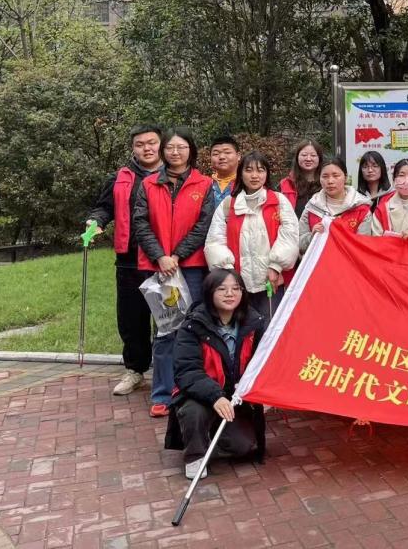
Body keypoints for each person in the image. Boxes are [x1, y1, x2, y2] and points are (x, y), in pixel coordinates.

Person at [133, 127, 217, 418]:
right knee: (165, 329)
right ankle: (162, 393)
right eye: (170, 147)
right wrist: (160, 256)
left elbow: (204, 224)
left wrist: (178, 255)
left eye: (181, 147)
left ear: (190, 150)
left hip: (191, 266)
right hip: (157, 267)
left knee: (194, 326)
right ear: (163, 151)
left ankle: (193, 388)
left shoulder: (204, 184)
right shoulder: (148, 184)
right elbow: (141, 223)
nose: (175, 152)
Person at [164, 269, 267, 480]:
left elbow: (261, 363)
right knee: (194, 412)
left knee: (242, 447)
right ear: (209, 293)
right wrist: (215, 396)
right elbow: (187, 371)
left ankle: (210, 437)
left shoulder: (254, 323)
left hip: (234, 398)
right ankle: (195, 454)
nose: (230, 294)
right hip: (200, 395)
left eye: (236, 288)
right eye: (222, 289)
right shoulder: (192, 326)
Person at [86, 124, 163, 397]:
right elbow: (103, 207)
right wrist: (95, 222)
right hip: (129, 259)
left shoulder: (173, 175)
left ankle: (167, 374)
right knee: (132, 318)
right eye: (140, 144)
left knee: (167, 319)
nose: (146, 148)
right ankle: (135, 370)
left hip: (163, 258)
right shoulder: (120, 177)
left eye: (152, 142)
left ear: (161, 144)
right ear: (133, 148)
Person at [205, 151, 300, 316]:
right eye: (249, 170)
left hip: (271, 281)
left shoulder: (278, 201)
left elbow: (290, 236)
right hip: (237, 284)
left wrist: (276, 266)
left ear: (267, 173)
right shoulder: (228, 205)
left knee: (270, 326)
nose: (255, 175)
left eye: (260, 170)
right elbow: (215, 241)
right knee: (242, 327)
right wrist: (230, 274)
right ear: (241, 173)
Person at [299, 157, 373, 252]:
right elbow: (298, 243)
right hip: (318, 261)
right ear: (319, 179)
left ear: (345, 177)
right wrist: (312, 237)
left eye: (336, 176)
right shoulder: (312, 207)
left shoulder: (361, 209)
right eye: (325, 176)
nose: (330, 181)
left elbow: (363, 246)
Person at [279, 140, 323, 219]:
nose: (308, 159)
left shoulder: (326, 184)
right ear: (297, 157)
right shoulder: (286, 184)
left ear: (319, 158)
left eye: (313, 155)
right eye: (304, 155)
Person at [208, 136, 241, 206]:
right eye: (216, 154)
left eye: (227, 152)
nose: (222, 157)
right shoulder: (205, 185)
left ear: (238, 156)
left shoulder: (247, 183)